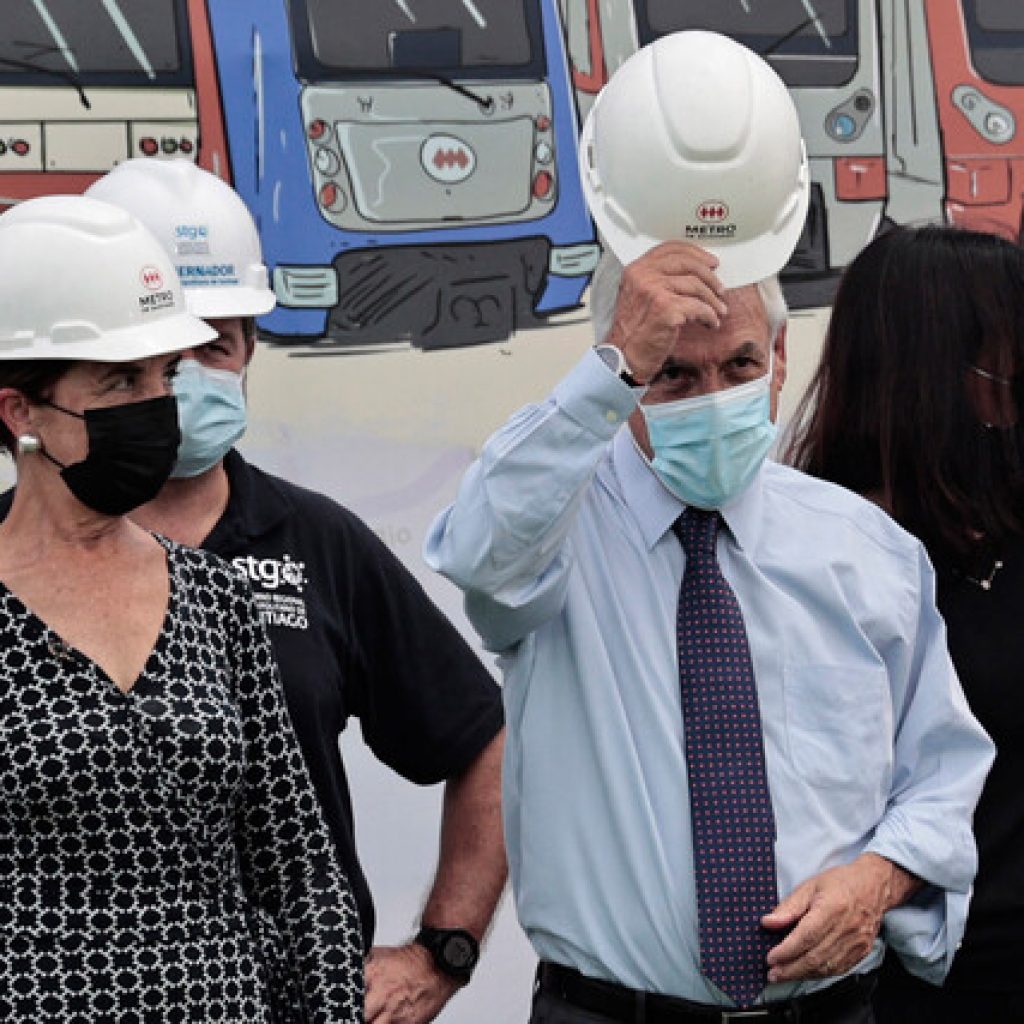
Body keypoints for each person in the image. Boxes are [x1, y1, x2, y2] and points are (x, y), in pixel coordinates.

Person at [425, 31, 994, 1024]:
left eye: (736, 365)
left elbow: (941, 769)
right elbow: (478, 551)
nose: (712, 395)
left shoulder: (866, 553)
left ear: (779, 362)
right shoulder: (556, 532)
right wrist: (612, 365)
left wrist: (880, 879)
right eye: (670, 376)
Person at [83, 158, 507, 1024]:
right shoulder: (17, 562)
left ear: (249, 353)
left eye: (218, 343)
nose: (189, 373)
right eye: (165, 347)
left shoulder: (320, 544)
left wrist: (443, 951)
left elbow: (482, 739)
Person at [0, 194, 363, 1023]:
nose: (158, 404)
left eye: (161, 376)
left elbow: (298, 873)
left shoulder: (213, 597)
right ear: (22, 412)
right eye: (119, 380)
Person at [785, 223, 1024, 1021]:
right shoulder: (809, 562)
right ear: (934, 369)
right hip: (902, 984)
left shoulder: (1005, 533)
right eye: (1006, 353)